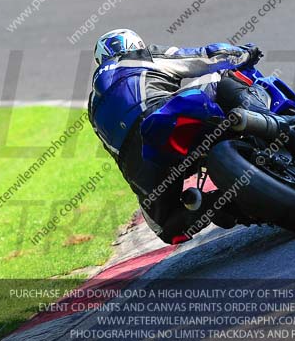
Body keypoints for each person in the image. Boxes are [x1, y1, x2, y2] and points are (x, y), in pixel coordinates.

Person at [88, 29, 271, 244]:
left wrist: (143, 187)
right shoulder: (139, 57)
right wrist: (243, 53)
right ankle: (267, 121)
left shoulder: (92, 107)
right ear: (135, 44)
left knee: (167, 228)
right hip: (163, 115)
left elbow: (114, 152)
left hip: (139, 163)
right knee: (223, 76)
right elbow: (202, 57)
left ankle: (211, 204)